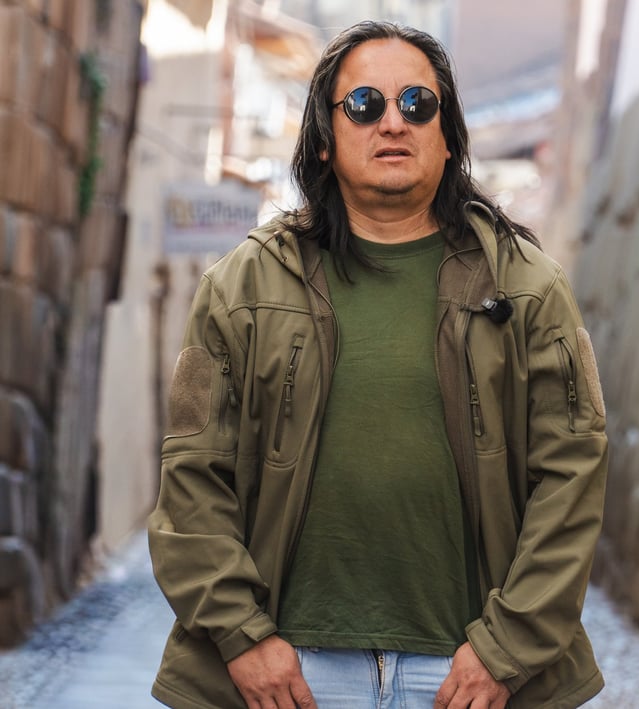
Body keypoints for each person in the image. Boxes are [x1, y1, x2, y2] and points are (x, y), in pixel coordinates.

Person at [148, 20, 609, 709]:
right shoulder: (240, 287)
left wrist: (505, 650)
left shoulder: (528, 288)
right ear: (325, 137)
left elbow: (574, 474)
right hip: (289, 673)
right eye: (365, 104)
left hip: (470, 676)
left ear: (447, 136)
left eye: (417, 104)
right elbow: (192, 475)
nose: (393, 122)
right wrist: (242, 638)